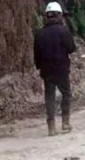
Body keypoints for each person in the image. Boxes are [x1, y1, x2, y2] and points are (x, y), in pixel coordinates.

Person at [34, 1, 77, 136]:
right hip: (62, 68)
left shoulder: (40, 33)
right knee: (66, 94)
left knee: (49, 97)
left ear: (47, 16)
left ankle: (51, 127)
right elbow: (71, 48)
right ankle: (65, 122)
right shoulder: (63, 30)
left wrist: (40, 67)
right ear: (59, 15)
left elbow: (36, 54)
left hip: (47, 71)